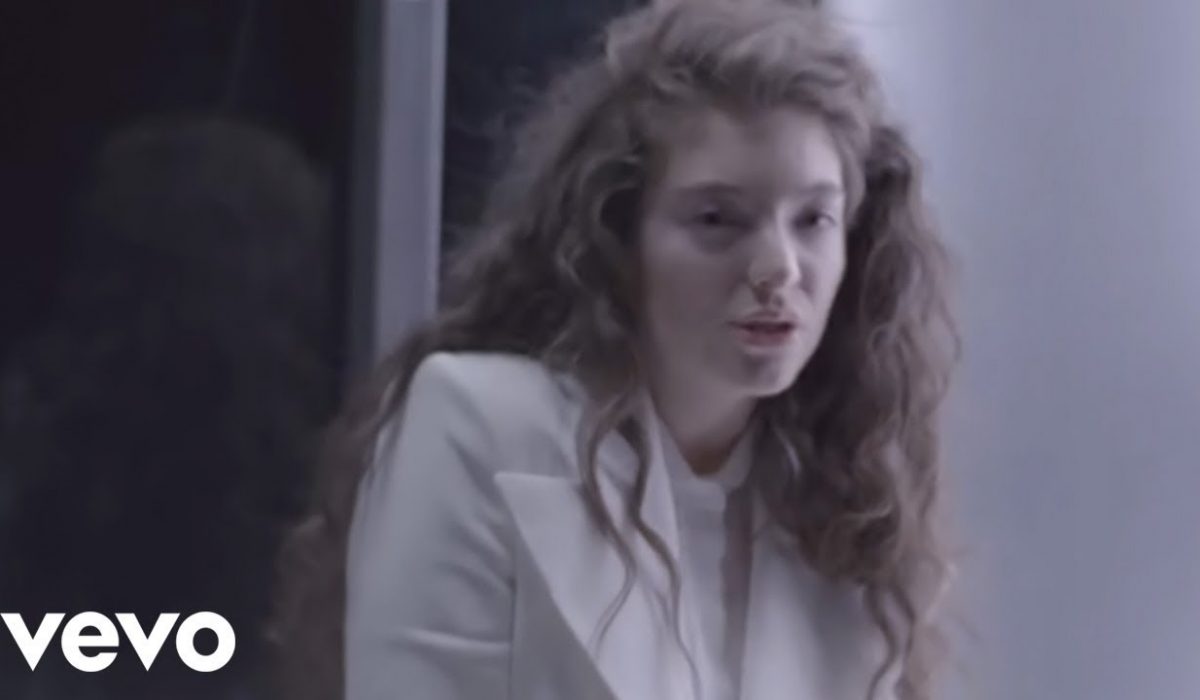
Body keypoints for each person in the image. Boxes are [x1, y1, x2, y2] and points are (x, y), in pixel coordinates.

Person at [271, 1, 960, 698]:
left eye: (813, 219)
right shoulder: (481, 425)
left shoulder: (843, 494)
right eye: (717, 220)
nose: (778, 268)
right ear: (618, 237)